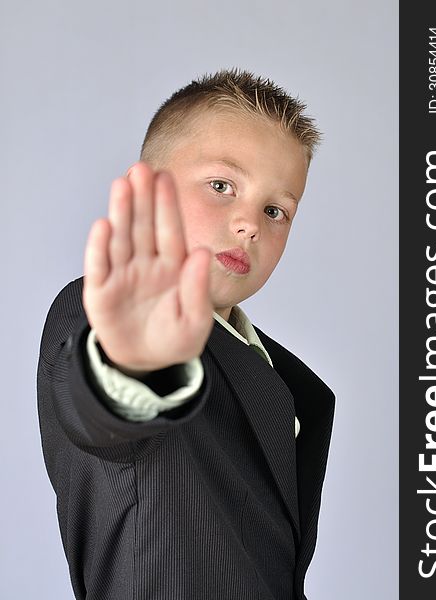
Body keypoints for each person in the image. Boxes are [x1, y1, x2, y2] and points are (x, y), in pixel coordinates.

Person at [37, 68, 335, 600]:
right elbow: (95, 404)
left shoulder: (279, 374)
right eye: (222, 186)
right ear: (144, 191)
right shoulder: (104, 312)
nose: (250, 223)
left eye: (276, 210)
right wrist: (134, 365)